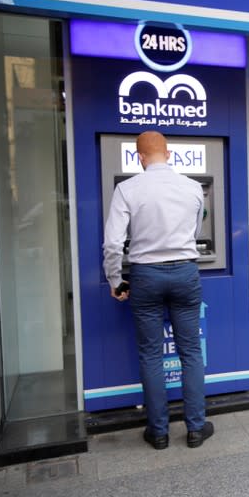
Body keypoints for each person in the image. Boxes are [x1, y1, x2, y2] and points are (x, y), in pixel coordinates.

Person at [103, 130, 214, 450]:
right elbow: (195, 232)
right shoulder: (194, 189)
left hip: (145, 275)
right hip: (185, 272)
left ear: (139, 158)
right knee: (191, 352)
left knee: (150, 354)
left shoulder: (126, 189)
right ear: (169, 154)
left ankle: (159, 432)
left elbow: (113, 243)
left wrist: (115, 280)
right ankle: (195, 429)